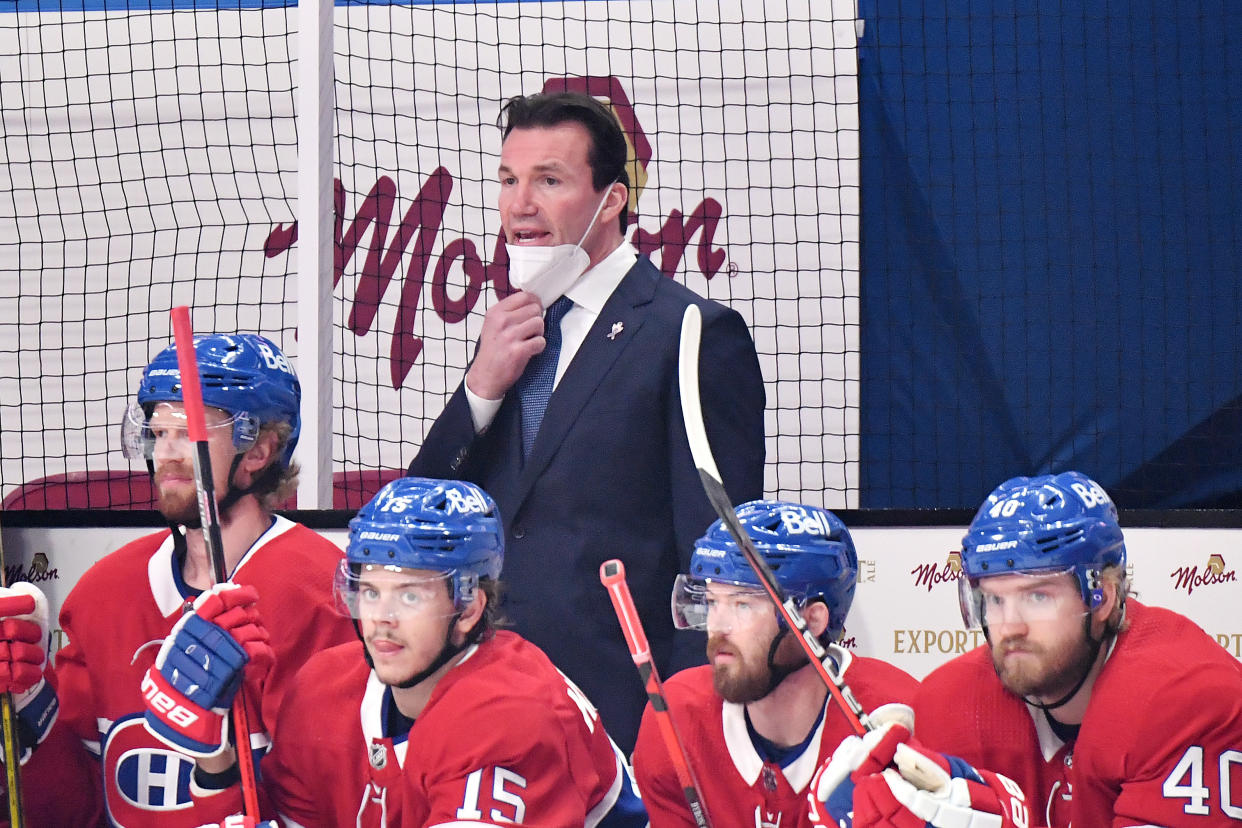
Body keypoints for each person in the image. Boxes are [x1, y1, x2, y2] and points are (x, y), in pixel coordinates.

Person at [408, 89, 766, 752]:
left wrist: (689, 729)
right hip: (487, 713)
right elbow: (421, 518)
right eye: (509, 181)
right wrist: (479, 390)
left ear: (613, 200)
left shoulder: (690, 332)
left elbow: (717, 562)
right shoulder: (510, 334)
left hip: (625, 723)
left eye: (549, 180)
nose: (519, 206)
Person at [0, 333, 358, 827]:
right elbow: (75, 811)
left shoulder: (320, 594)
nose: (166, 453)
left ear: (261, 450)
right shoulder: (104, 592)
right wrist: (27, 712)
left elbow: (328, 810)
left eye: (188, 432)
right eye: (158, 432)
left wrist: (218, 772)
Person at [183, 476, 648, 827]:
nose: (382, 616)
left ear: (468, 607)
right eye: (369, 591)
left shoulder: (510, 713)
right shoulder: (322, 690)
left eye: (409, 595)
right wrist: (214, 758)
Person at [813, 470, 1242, 827]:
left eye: (1037, 596)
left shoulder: (1186, 699)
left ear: (1103, 597)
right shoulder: (951, 702)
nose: (1009, 626)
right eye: (995, 600)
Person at [632, 499, 919, 827]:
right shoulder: (677, 715)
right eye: (712, 602)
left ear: (811, 621)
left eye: (742, 605)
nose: (717, 626)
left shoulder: (896, 716)